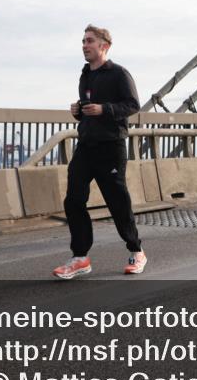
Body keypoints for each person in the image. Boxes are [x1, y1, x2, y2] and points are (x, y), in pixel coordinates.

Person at [53, 25, 145, 280]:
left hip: (111, 147)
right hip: (86, 146)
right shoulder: (85, 75)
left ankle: (136, 250)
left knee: (117, 203)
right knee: (73, 200)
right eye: (83, 41)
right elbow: (88, 109)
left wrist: (104, 109)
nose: (84, 45)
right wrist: (78, 111)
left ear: (104, 45)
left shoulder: (119, 73)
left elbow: (133, 105)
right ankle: (80, 257)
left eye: (90, 41)